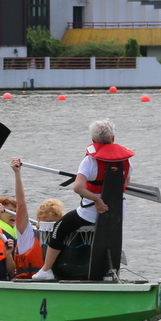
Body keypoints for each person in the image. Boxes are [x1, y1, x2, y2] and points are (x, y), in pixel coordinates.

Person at [32, 119, 134, 281]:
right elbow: (126, 184)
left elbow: (78, 187)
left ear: (93, 141)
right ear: (113, 138)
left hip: (91, 212)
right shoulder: (126, 161)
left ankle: (46, 270)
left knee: (59, 227)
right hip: (117, 212)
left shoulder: (90, 161)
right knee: (110, 236)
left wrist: (96, 199)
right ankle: (109, 273)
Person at [0, 158, 41, 277]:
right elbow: (22, 205)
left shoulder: (29, 231)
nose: (13, 214)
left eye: (15, 211)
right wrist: (17, 173)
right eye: (9, 211)